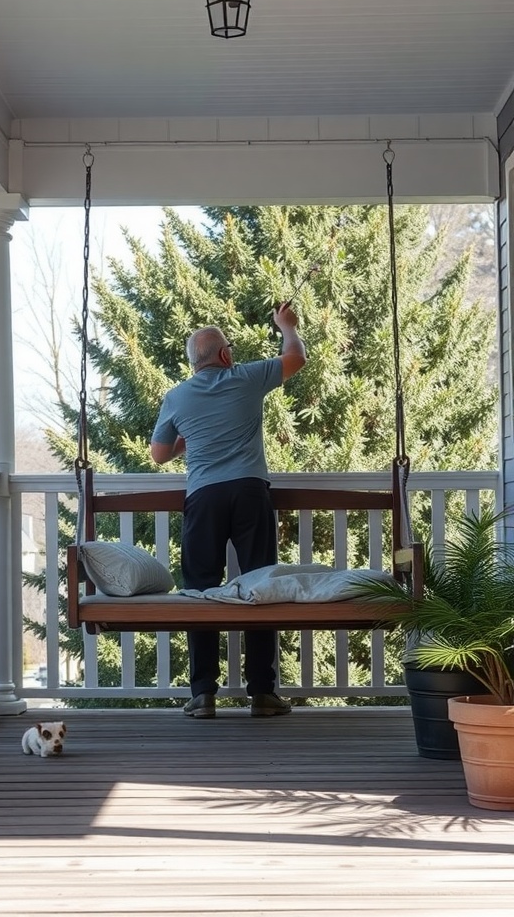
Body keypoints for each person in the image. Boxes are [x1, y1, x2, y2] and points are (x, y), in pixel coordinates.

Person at [150, 302, 307, 718]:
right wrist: (286, 326)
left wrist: (191, 434)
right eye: (230, 348)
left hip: (204, 496)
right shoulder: (248, 376)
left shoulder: (177, 396)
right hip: (250, 492)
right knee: (259, 584)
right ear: (224, 355)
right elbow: (296, 357)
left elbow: (159, 454)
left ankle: (203, 693)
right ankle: (263, 693)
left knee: (200, 588)